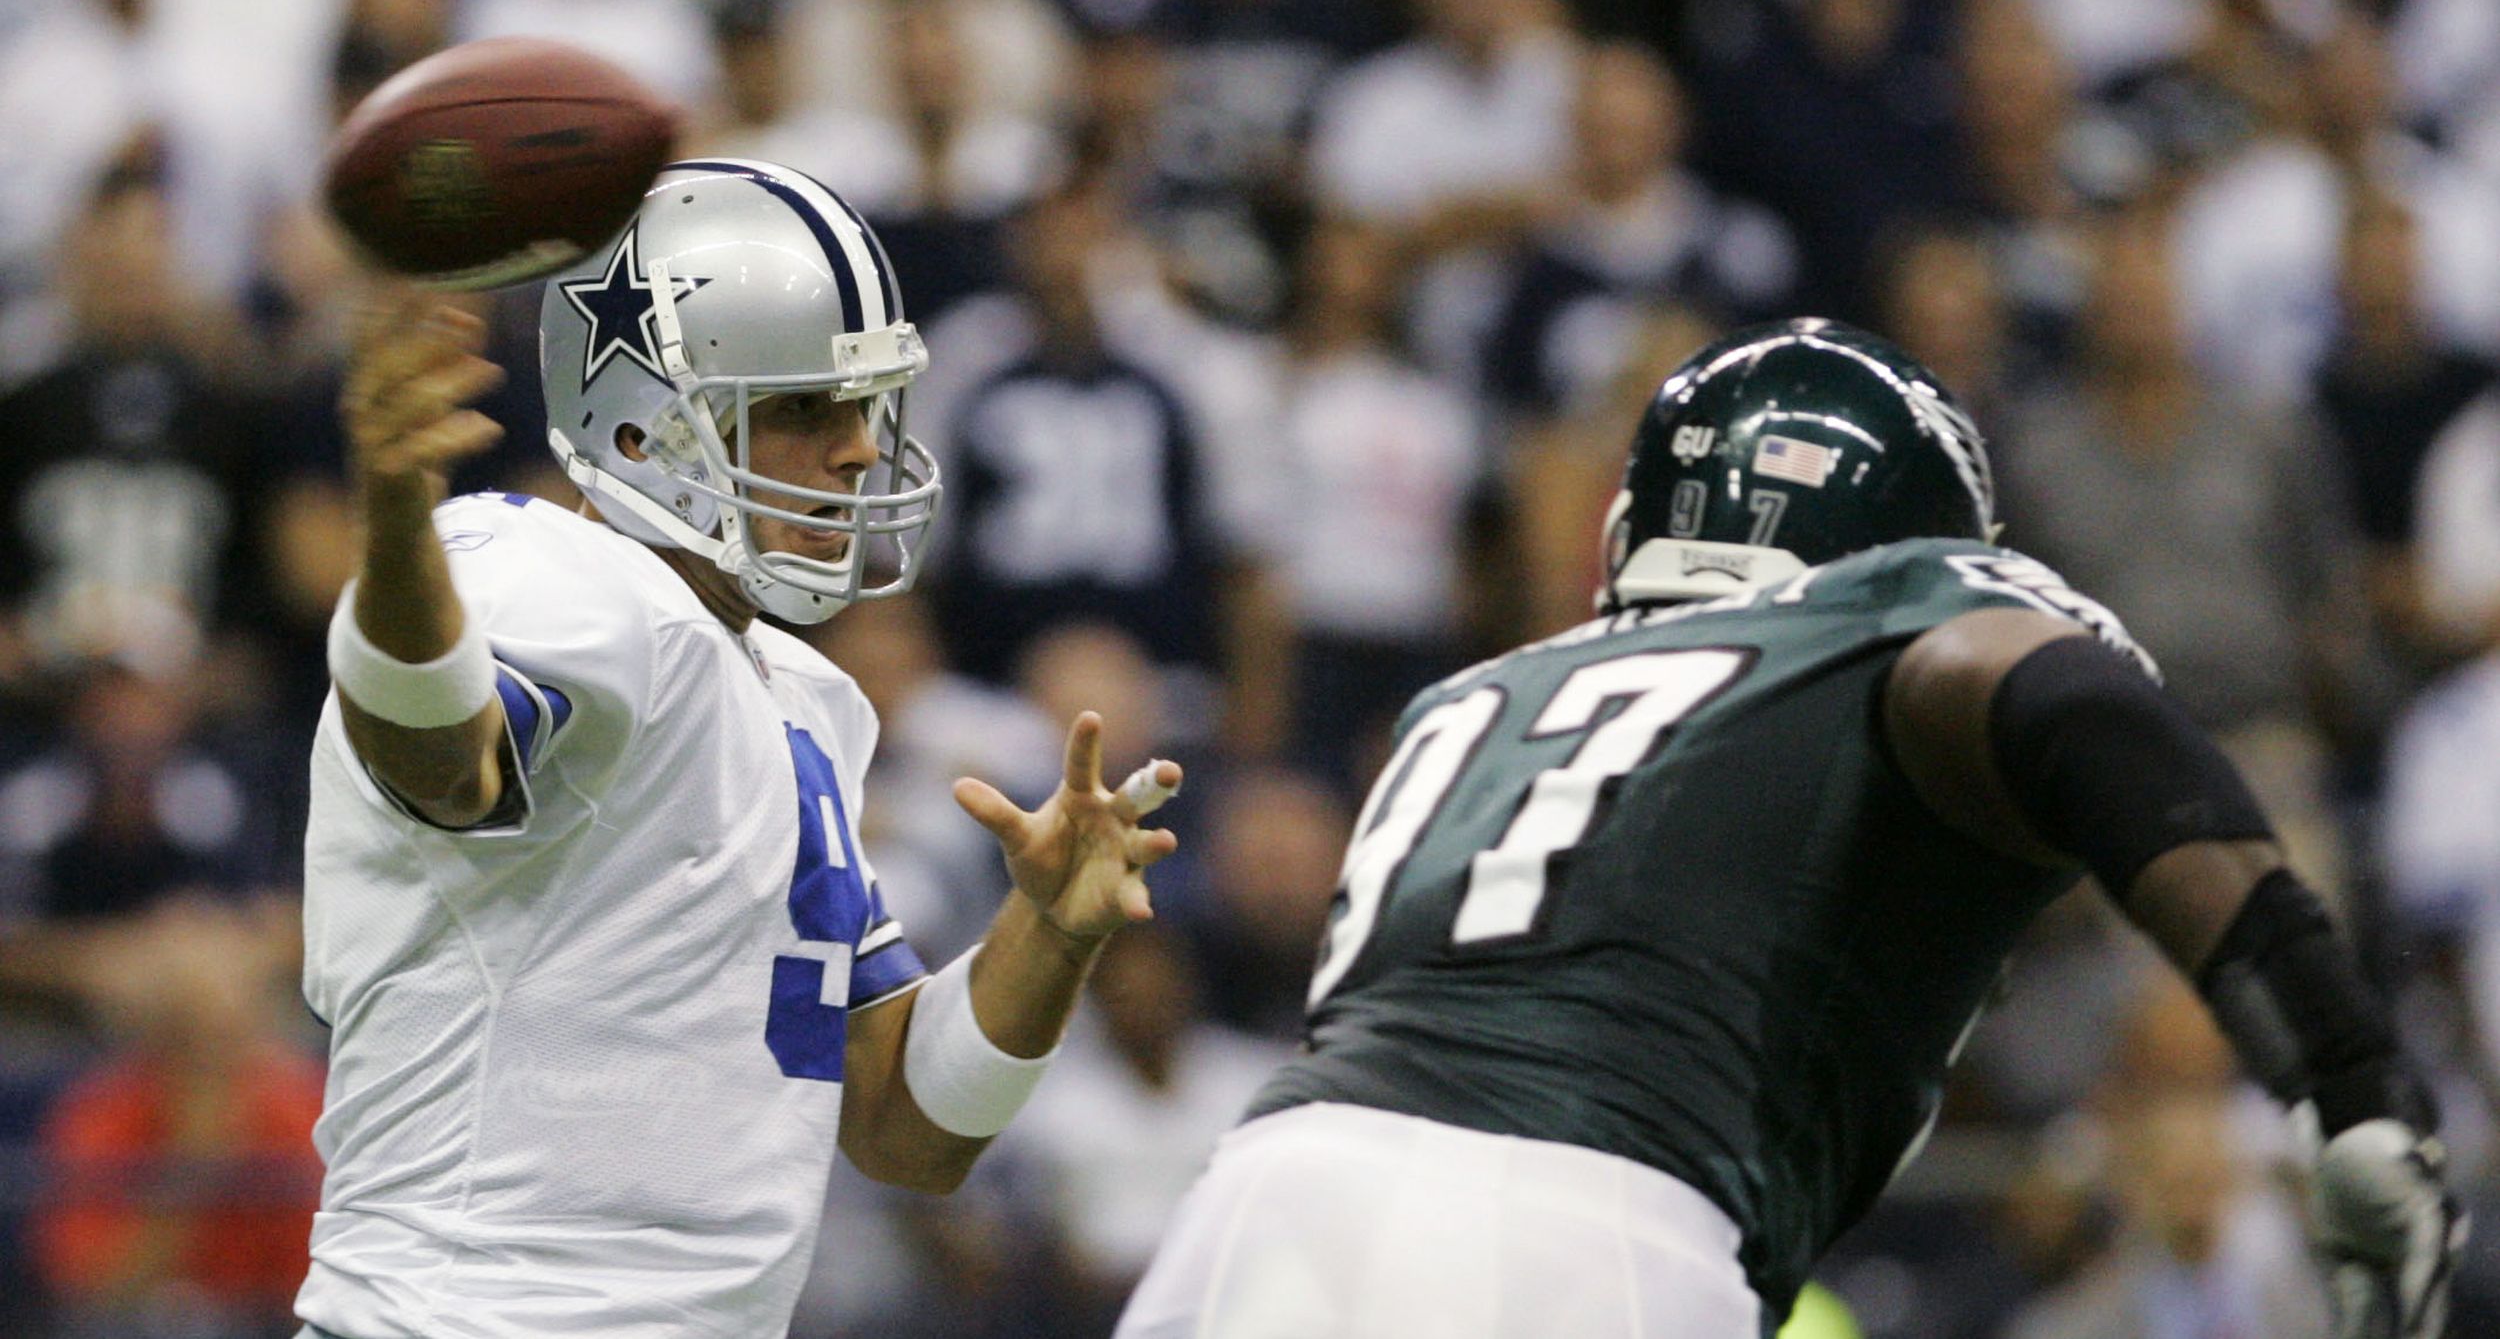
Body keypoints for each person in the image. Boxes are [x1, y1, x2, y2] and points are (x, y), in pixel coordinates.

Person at [1114, 318, 2464, 1339]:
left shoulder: (1472, 697)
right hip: (1593, 1233)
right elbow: (2060, 703)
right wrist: (2345, 1073)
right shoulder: (1898, 619)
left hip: (1258, 1202)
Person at [296, 157, 1183, 1339]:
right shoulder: (543, 573)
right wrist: (399, 525)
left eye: (865, 407)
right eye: (806, 407)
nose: (861, 450)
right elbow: (441, 757)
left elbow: (905, 1123)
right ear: (651, 423)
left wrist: (1050, 933)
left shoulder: (800, 694)